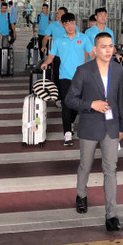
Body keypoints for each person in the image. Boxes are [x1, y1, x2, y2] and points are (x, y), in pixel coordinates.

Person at [65, 32, 123, 232]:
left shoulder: (118, 70)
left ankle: (112, 215)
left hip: (111, 127)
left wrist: (122, 127)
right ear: (95, 49)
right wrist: (91, 104)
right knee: (85, 165)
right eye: (103, 46)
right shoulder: (83, 71)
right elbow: (70, 100)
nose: (108, 50)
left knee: (111, 170)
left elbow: (120, 101)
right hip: (90, 126)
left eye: (111, 46)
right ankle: (81, 195)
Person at [43, 13, 85, 147]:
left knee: (77, 105)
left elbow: (91, 53)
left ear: (75, 23)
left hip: (80, 77)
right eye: (66, 24)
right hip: (64, 76)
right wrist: (46, 63)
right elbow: (51, 55)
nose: (70, 26)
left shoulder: (83, 38)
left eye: (72, 23)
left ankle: (70, 123)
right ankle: (67, 133)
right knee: (67, 104)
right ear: (62, 25)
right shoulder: (58, 40)